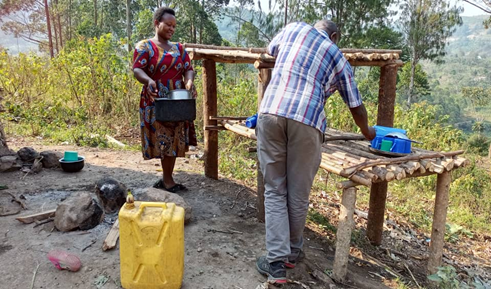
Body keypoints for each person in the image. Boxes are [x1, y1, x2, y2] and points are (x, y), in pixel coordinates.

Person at [255, 20, 376, 284]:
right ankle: (291, 254)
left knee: (275, 189)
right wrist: (368, 132)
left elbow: (271, 51)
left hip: (271, 112)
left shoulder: (293, 28)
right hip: (307, 121)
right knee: (298, 193)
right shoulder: (337, 55)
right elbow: (355, 104)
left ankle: (276, 264)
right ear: (334, 36)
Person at [132, 7, 197, 193]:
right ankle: (167, 180)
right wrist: (149, 80)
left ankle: (168, 179)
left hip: (177, 100)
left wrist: (189, 80)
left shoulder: (179, 48)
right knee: (163, 139)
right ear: (156, 23)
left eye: (174, 26)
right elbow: (137, 69)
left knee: (175, 138)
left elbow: (188, 68)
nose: (171, 28)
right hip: (156, 98)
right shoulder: (144, 46)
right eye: (168, 24)